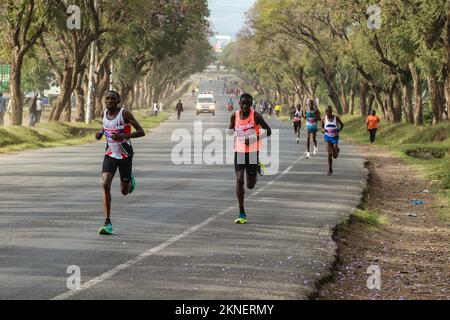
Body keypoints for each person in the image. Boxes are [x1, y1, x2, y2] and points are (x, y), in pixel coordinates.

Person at [95, 90, 146, 235]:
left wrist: (123, 136)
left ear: (118, 101)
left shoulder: (125, 114)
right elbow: (105, 128)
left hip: (125, 155)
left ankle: (130, 181)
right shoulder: (103, 113)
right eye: (107, 99)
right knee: (105, 184)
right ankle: (107, 222)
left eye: (112, 99)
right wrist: (100, 133)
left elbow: (141, 131)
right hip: (110, 154)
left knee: (125, 191)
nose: (109, 101)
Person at [229, 93, 271, 224]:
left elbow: (268, 131)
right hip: (240, 152)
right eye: (243, 103)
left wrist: (253, 138)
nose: (245, 106)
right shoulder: (234, 116)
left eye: (248, 103)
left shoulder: (256, 116)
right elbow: (230, 129)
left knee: (250, 185)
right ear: (239, 104)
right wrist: (232, 131)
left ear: (251, 104)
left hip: (253, 152)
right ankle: (241, 212)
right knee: (239, 180)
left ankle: (257, 166)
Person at [322, 106, 344, 175]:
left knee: (335, 156)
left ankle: (336, 149)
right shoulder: (324, 118)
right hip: (327, 137)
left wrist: (338, 131)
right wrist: (323, 130)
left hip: (335, 138)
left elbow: (342, 125)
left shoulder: (336, 118)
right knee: (329, 153)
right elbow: (322, 126)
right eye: (327, 111)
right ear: (325, 112)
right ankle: (330, 169)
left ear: (332, 111)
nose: (328, 112)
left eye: (329, 111)